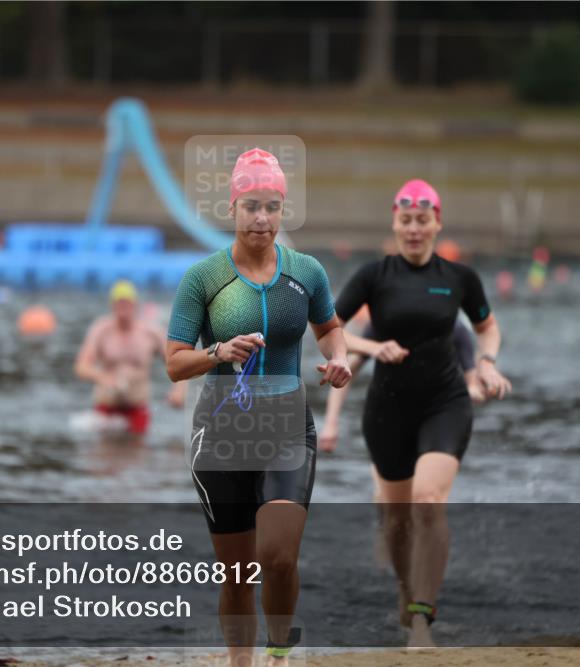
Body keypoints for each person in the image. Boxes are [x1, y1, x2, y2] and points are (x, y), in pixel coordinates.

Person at [165, 148, 351, 666]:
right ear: (234, 208)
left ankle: (279, 650)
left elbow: (332, 329)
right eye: (251, 206)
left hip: (287, 425)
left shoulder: (306, 272)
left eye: (272, 206)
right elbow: (174, 365)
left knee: (278, 557)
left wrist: (339, 360)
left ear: (283, 210)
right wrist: (219, 352)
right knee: (239, 575)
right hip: (221, 434)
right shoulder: (203, 278)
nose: (262, 218)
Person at [333, 179, 511, 647]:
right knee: (395, 520)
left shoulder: (459, 278)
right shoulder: (374, 276)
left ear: (437, 223)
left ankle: (421, 618)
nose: (414, 229)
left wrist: (487, 364)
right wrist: (373, 345)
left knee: (428, 501)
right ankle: (406, 590)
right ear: (395, 222)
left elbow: (487, 329)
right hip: (387, 409)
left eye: (422, 220)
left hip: (444, 402)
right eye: (406, 220)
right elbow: (329, 330)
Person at [320, 316, 486, 501]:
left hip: (435, 417)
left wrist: (476, 390)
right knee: (389, 502)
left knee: (427, 498)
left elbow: (471, 380)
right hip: (389, 417)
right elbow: (347, 371)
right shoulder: (383, 323)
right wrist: (331, 423)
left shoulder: (453, 326)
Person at [75, 280, 186, 436]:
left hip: (137, 408)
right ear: (112, 305)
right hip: (106, 407)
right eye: (119, 304)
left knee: (137, 454)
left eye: (126, 303)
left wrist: (178, 391)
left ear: (135, 305)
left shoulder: (150, 333)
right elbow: (81, 367)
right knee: (103, 456)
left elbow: (180, 364)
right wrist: (103, 377)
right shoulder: (101, 330)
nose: (123, 308)